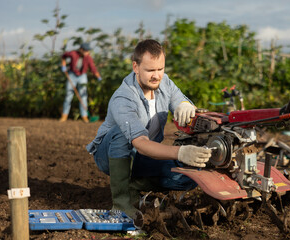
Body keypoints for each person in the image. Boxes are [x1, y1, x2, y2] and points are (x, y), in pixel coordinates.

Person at [86, 39, 211, 220]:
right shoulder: (124, 98)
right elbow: (141, 143)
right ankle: (121, 203)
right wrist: (180, 152)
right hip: (110, 155)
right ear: (135, 67)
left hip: (144, 155)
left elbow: (179, 100)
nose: (157, 75)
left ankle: (133, 184)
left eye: (160, 69)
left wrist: (184, 105)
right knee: (122, 133)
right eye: (150, 70)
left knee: (190, 176)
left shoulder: (164, 82)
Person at [59, 42, 102, 123]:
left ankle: (84, 116)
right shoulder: (73, 53)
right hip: (72, 75)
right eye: (86, 50)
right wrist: (63, 65)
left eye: (88, 51)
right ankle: (64, 116)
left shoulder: (88, 58)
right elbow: (63, 56)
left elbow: (93, 68)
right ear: (81, 49)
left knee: (83, 96)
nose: (87, 52)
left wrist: (98, 76)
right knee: (68, 95)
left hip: (82, 76)